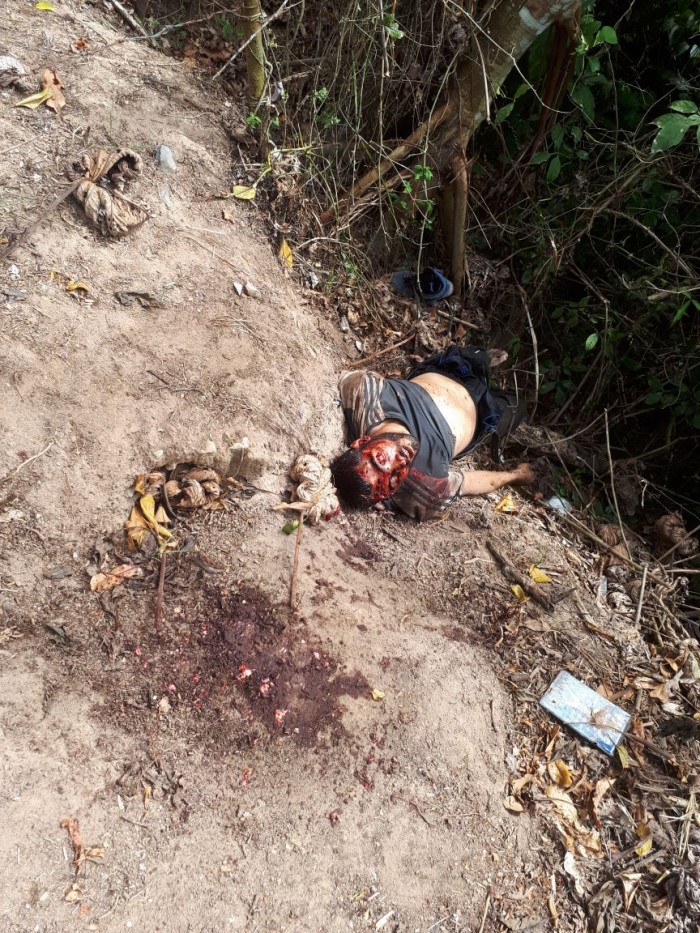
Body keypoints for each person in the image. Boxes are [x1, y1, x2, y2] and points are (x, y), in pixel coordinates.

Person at [330, 346, 535, 521]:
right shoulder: (423, 487)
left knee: (478, 356)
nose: (400, 463)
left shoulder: (365, 401)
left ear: (361, 441)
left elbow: (353, 379)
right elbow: (469, 483)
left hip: (450, 370)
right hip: (483, 416)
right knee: (519, 405)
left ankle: (484, 362)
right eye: (392, 482)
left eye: (381, 459)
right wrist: (515, 475)